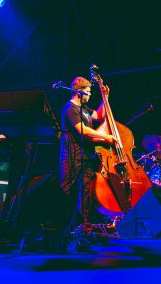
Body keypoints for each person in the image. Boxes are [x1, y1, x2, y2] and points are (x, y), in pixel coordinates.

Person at [59, 76, 117, 228]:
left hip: (86, 157)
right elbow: (82, 130)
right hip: (72, 157)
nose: (90, 94)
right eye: (88, 91)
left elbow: (99, 116)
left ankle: (82, 225)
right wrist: (106, 136)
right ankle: (65, 228)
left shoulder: (84, 109)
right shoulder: (70, 108)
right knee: (68, 192)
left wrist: (106, 97)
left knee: (85, 192)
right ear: (78, 92)